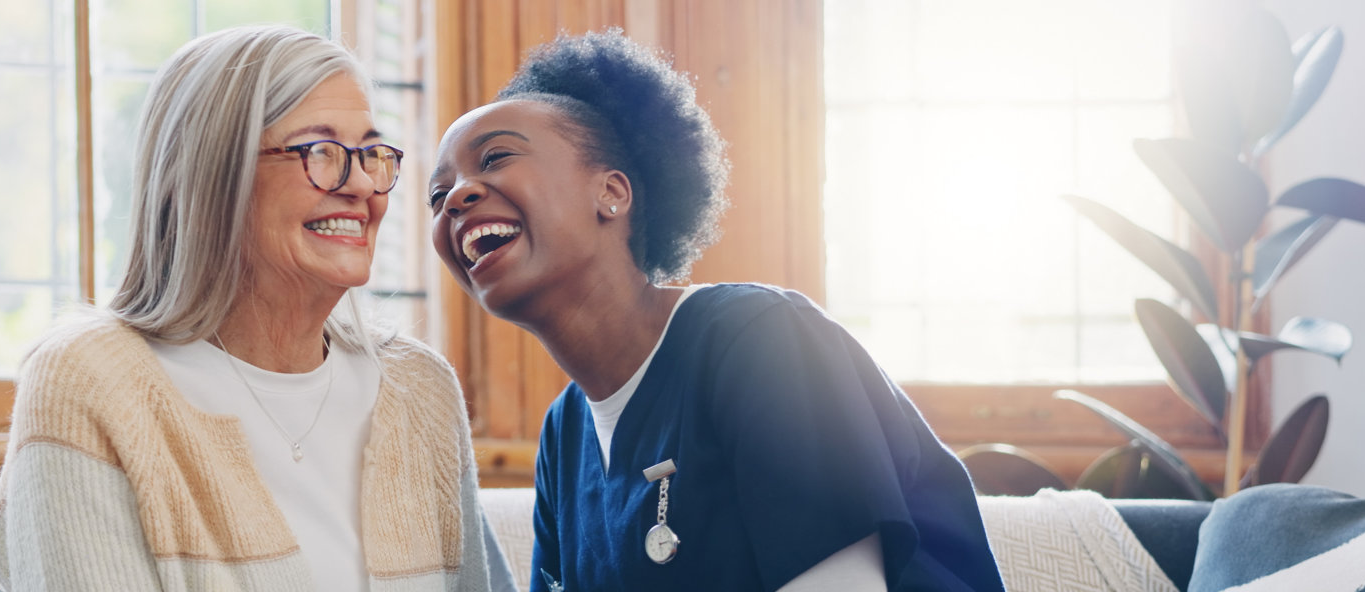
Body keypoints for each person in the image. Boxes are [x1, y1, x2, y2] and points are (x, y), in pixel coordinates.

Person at [427, 31, 1004, 591]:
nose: (456, 197)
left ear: (613, 193)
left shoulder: (761, 339)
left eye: (496, 157)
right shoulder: (564, 434)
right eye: (437, 195)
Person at [0, 25, 513, 592]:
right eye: (321, 151)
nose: (362, 184)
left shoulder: (421, 389)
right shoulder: (89, 381)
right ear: (210, 174)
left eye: (369, 153)